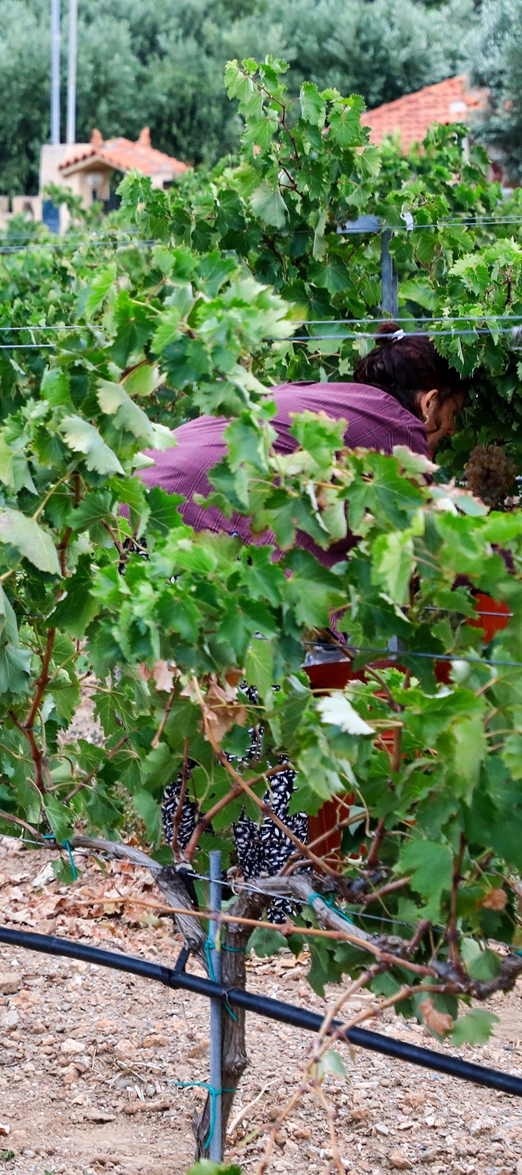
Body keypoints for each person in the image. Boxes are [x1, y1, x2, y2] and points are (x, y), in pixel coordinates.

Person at [142, 331, 468, 880]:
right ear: (430, 401)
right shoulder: (399, 432)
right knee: (271, 708)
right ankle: (277, 892)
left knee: (195, 705)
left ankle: (194, 875)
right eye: (449, 419)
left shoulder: (334, 401)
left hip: (141, 507)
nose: (444, 437)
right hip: (200, 520)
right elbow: (396, 556)